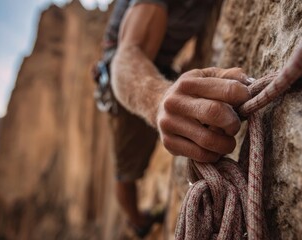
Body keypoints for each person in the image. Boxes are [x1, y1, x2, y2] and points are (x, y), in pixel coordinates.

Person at [96, 0, 251, 237]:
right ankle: (138, 222)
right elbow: (128, 54)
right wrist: (159, 100)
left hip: (162, 64)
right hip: (123, 73)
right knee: (127, 171)